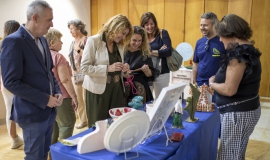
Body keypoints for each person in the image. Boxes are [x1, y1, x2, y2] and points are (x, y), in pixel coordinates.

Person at [0, 1, 63, 159]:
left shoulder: (42, 40)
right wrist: (44, 98)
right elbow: (11, 82)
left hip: (49, 111)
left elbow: (49, 71)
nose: (52, 24)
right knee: (34, 156)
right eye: (49, 19)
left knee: (43, 153)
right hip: (32, 113)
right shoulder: (13, 41)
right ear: (35, 18)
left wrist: (56, 91)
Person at [209, 14, 261, 160]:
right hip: (245, 111)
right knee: (236, 153)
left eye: (221, 36)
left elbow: (229, 90)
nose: (220, 40)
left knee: (228, 155)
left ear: (231, 34)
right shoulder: (248, 49)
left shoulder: (238, 55)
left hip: (238, 114)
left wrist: (213, 84)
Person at [80, 14, 132, 128]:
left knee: (115, 125)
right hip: (98, 91)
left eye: (125, 35)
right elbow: (84, 68)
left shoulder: (120, 45)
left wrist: (125, 69)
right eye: (122, 33)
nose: (123, 37)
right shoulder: (94, 41)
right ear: (115, 27)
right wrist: (107, 68)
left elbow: (119, 68)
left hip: (117, 89)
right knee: (98, 126)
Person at [44, 28, 78, 145]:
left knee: (52, 128)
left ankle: (51, 155)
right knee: (67, 124)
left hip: (47, 98)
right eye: (60, 40)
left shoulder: (41, 55)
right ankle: (61, 154)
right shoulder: (58, 57)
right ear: (52, 42)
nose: (62, 43)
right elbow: (65, 79)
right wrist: (74, 97)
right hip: (62, 97)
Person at [0, 20, 24, 149]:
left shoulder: (2, 45)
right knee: (23, 107)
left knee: (10, 110)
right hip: (17, 81)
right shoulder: (18, 43)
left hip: (4, 82)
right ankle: (26, 136)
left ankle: (14, 139)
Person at [192, 12, 225, 102]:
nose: (202, 28)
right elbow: (196, 63)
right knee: (201, 114)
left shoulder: (222, 42)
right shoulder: (199, 42)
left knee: (215, 113)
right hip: (201, 86)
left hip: (217, 86)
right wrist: (194, 80)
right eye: (201, 25)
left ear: (214, 25)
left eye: (205, 25)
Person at [140, 12, 172, 99]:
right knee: (147, 99)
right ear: (143, 25)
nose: (149, 27)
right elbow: (139, 52)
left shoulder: (162, 33)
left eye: (151, 24)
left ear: (155, 23)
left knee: (161, 100)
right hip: (146, 73)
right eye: (146, 24)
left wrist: (149, 52)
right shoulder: (141, 37)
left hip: (162, 73)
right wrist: (159, 51)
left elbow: (168, 51)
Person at [124, 26, 156, 104]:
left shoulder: (145, 52)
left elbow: (151, 74)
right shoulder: (122, 50)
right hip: (123, 88)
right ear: (128, 38)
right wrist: (124, 72)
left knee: (139, 113)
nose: (137, 43)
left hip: (140, 89)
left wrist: (147, 71)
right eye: (134, 40)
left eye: (140, 40)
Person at [67, 19, 88, 129]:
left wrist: (79, 50)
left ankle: (91, 119)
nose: (70, 31)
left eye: (72, 29)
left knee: (86, 99)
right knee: (79, 99)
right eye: (69, 29)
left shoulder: (87, 41)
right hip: (75, 74)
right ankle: (83, 120)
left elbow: (89, 57)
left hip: (86, 74)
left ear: (79, 28)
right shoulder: (72, 43)